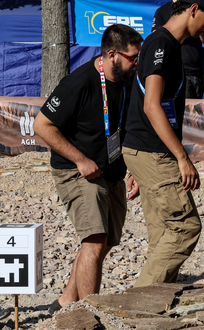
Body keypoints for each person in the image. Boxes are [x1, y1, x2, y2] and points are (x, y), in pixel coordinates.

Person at [122, 0, 204, 287]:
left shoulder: (167, 44)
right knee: (185, 228)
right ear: (193, 10)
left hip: (145, 150)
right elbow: (152, 106)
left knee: (163, 234)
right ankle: (138, 307)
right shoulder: (162, 45)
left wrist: (139, 163)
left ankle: (155, 303)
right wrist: (182, 158)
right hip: (153, 151)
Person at [33, 24, 143, 314]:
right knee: (94, 241)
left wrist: (134, 168)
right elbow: (41, 125)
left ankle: (67, 301)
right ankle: (88, 316)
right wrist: (80, 159)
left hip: (110, 170)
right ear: (112, 54)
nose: (137, 63)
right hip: (76, 170)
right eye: (133, 57)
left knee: (106, 242)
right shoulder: (79, 83)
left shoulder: (127, 79)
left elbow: (126, 128)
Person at [152, 0, 204, 99]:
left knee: (196, 118)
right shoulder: (162, 12)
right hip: (175, 72)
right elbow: (157, 40)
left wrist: (199, 28)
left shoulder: (201, 10)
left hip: (196, 73)